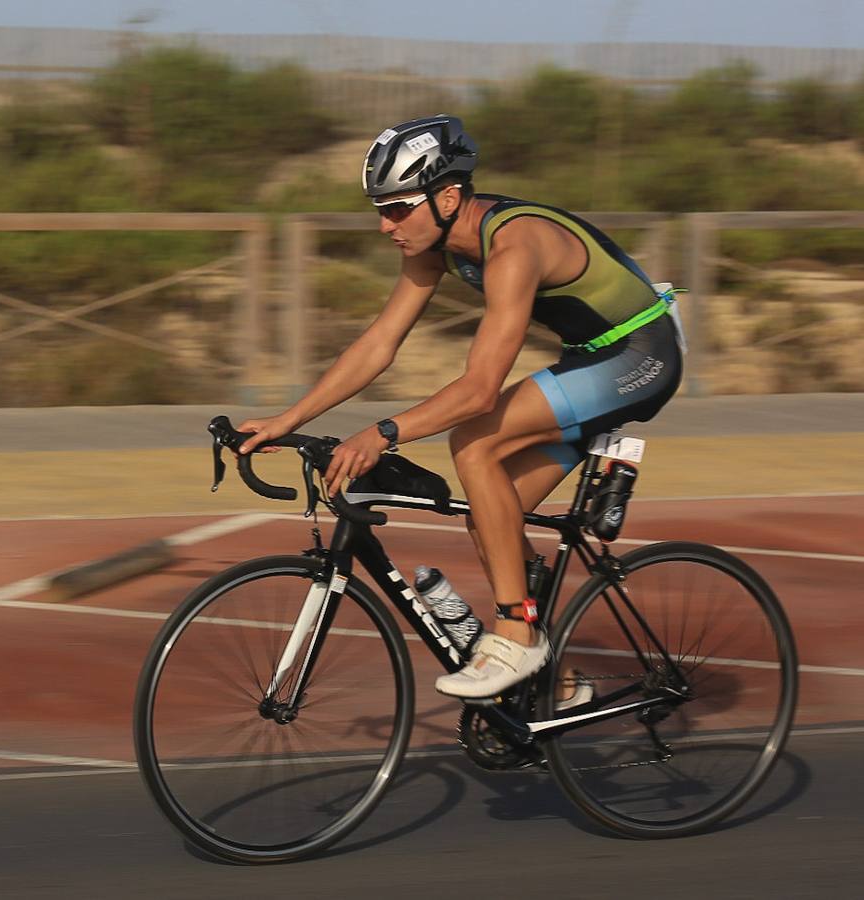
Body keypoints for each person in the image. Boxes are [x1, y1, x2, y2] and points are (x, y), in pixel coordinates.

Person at [239, 114, 683, 699]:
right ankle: (561, 682)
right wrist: (288, 418)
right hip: (589, 357)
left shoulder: (514, 246)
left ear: (448, 196)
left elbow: (478, 391)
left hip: (641, 353)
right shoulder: (438, 243)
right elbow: (379, 345)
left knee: (474, 441)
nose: (384, 225)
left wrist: (382, 433)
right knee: (491, 513)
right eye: (379, 209)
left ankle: (514, 637)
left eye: (398, 208)